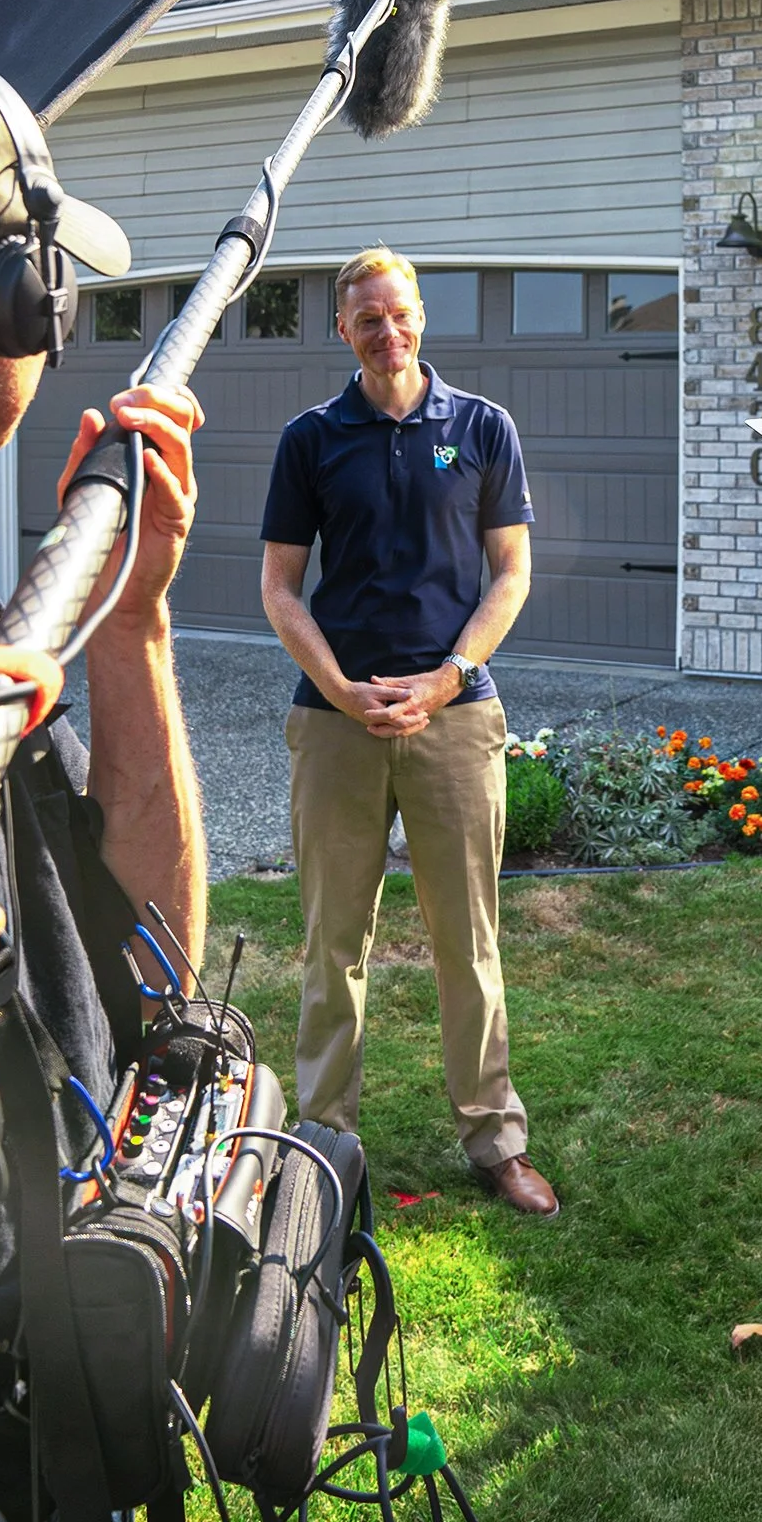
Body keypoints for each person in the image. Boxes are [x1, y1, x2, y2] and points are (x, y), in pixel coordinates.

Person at [0, 68, 206, 1522]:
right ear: (7, 294)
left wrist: (134, 624)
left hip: (51, 1437)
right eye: (41, 286)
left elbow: (149, 945)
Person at [259, 246, 556, 1217]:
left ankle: (496, 1138)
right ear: (342, 330)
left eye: (398, 313)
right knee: (330, 943)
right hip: (335, 726)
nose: (386, 332)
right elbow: (279, 587)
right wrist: (342, 689)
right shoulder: (310, 439)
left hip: (454, 719)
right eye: (366, 319)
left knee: (467, 940)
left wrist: (447, 676)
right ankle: (323, 1145)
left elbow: (510, 571)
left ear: (421, 315)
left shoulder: (480, 427)